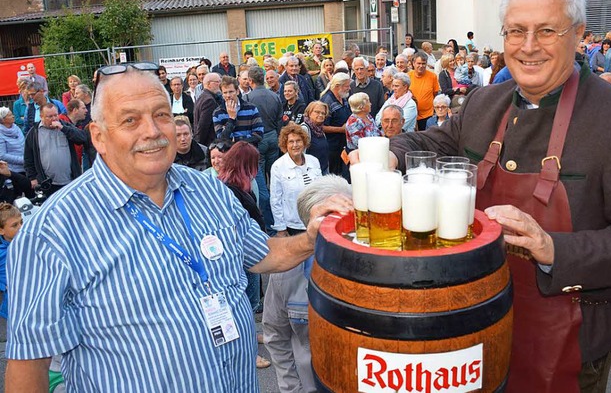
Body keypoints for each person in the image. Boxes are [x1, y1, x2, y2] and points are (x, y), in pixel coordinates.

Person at [352, 0, 611, 392]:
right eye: (516, 31)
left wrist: (553, 247)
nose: (528, 46)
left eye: (546, 31)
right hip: (473, 325)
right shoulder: (485, 102)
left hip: (568, 336)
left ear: (577, 34)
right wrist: (389, 153)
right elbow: (429, 142)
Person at [4, 64, 352, 392]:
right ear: (98, 136)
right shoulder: (52, 232)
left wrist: (309, 238)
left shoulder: (208, 188)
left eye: (161, 115)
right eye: (130, 120)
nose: (152, 131)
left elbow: (262, 253)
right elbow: (29, 366)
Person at [264, 174, 351, 393]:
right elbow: (276, 336)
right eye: (329, 220)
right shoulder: (286, 272)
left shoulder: (374, 268)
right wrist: (292, 388)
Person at [216, 141, 271, 369]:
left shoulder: (238, 185)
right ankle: (250, 352)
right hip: (242, 254)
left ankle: (252, 333)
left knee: (251, 300)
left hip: (249, 250)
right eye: (254, 163)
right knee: (244, 302)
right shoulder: (230, 190)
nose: (257, 167)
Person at [24, 103, 86, 197]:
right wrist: (32, 177)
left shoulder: (64, 126)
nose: (54, 119)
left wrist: (63, 128)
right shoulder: (34, 133)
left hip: (69, 180)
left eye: (55, 115)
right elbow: (28, 158)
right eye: (49, 116)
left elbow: (82, 138)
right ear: (41, 117)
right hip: (48, 183)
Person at [270, 123, 321, 237]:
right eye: (291, 142)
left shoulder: (314, 161)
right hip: (293, 226)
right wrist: (281, 228)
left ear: (304, 142)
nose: (295, 145)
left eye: (298, 141)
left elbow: (321, 192)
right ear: (285, 144)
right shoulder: (278, 166)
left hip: (315, 221)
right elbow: (275, 199)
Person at [320, 73, 351, 177]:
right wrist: (340, 129)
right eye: (347, 86)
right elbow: (321, 127)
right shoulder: (327, 100)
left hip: (342, 145)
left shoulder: (343, 97)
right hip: (332, 147)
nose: (349, 88)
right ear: (338, 86)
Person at [0, 203, 21, 320]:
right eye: (15, 225)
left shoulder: (26, 242)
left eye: (21, 222)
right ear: (1, 230)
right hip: (13, 301)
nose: (21, 227)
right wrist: (4, 285)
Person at [408, 52, 440, 130]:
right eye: (418, 63)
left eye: (423, 64)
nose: (421, 66)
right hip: (411, 115)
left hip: (427, 115)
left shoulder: (432, 76)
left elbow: (435, 93)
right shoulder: (408, 76)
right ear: (413, 63)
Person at [193, 73, 223, 147]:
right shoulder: (209, 100)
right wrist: (199, 145)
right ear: (209, 84)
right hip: (208, 143)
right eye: (218, 82)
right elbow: (203, 125)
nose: (220, 84)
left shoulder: (203, 97)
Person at [300, 101, 329, 175]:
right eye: (317, 112)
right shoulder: (305, 129)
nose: (320, 115)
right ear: (309, 113)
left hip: (323, 171)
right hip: (310, 173)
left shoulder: (320, 129)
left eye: (323, 113)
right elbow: (300, 154)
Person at [0, 107, 26, 174]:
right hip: (12, 171)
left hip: (26, 167)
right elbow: (2, 155)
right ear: (2, 120)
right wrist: (22, 160)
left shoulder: (16, 128)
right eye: (10, 115)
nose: (13, 116)